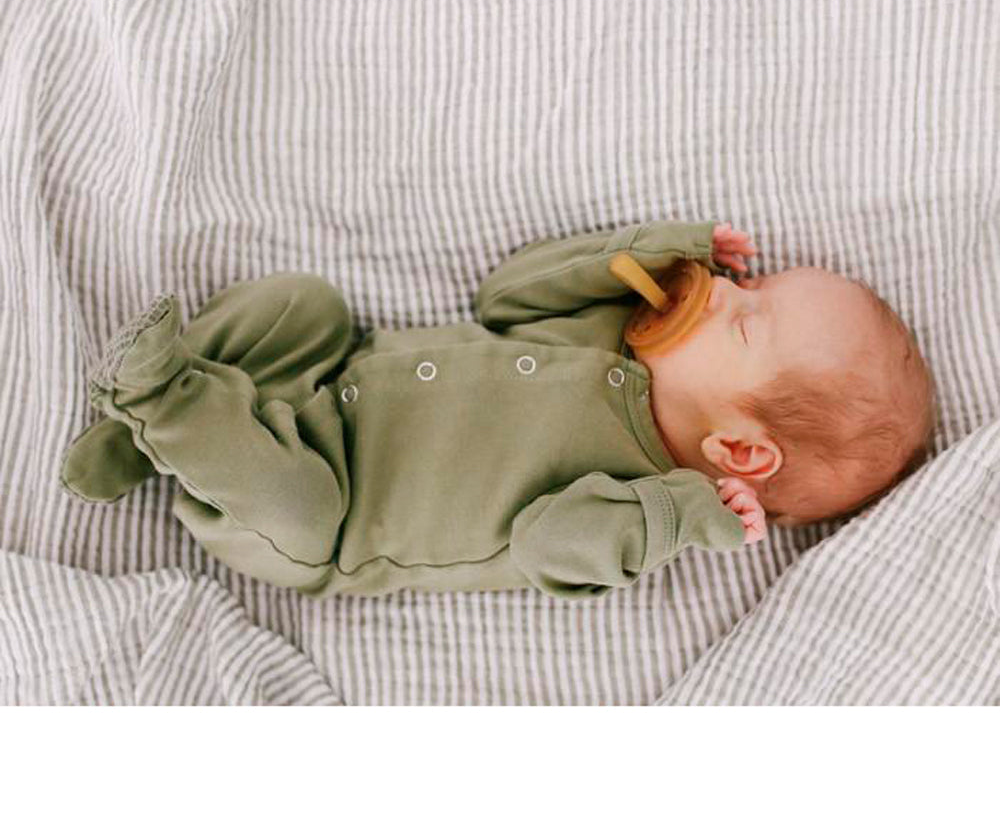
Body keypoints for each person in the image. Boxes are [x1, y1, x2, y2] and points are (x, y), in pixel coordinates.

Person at [60, 220, 935, 599]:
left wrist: (679, 516)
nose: (728, 290)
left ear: (740, 451)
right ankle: (150, 435)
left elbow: (546, 545)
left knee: (295, 502)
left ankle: (162, 399)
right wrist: (646, 253)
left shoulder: (640, 502)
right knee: (301, 302)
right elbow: (507, 295)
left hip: (324, 519)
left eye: (746, 321)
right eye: (756, 283)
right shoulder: (610, 328)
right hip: (328, 371)